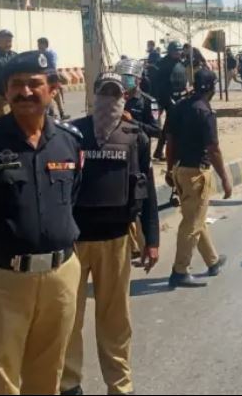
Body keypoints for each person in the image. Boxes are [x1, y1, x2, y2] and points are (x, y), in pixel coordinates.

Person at [0, 50, 83, 395]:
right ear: (6, 91)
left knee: (47, 376)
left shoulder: (69, 141)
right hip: (1, 280)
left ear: (53, 88)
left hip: (60, 277)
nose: (25, 92)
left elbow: (72, 199)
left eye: (34, 84)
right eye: (16, 85)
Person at [61, 72, 160, 396]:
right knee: (68, 318)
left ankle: (120, 386)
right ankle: (69, 384)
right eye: (104, 92)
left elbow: (147, 190)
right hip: (74, 243)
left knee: (115, 321)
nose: (109, 99)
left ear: (124, 97)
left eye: (115, 93)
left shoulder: (136, 137)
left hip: (116, 241)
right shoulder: (72, 134)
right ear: (94, 95)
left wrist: (152, 240)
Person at [164, 69, 231, 289]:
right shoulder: (205, 112)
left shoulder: (179, 106)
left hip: (180, 169)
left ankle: (212, 261)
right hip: (197, 173)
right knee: (191, 223)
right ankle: (179, 271)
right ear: (211, 88)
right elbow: (213, 149)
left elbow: (170, 142)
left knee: (195, 217)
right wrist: (225, 178)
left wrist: (170, 169)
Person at [117, 57, 163, 254]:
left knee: (141, 201)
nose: (125, 81)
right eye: (122, 77)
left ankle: (146, 242)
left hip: (140, 158)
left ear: (138, 79)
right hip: (119, 157)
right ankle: (131, 244)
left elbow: (156, 130)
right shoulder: (115, 99)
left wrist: (132, 121)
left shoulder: (148, 102)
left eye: (128, 77)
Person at [151, 41, 189, 161]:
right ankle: (156, 151)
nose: (178, 52)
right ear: (170, 51)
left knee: (170, 126)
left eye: (179, 50)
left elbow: (182, 78)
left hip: (177, 98)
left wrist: (186, 89)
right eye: (175, 51)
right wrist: (164, 99)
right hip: (164, 99)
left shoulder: (180, 63)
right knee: (156, 124)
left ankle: (160, 151)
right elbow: (158, 84)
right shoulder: (162, 64)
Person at [38, 37, 68, 120]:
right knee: (50, 95)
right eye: (38, 44)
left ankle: (60, 113)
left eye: (40, 44)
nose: (39, 46)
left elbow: (52, 65)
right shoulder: (40, 54)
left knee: (55, 94)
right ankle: (54, 114)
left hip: (50, 76)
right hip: (46, 77)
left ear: (45, 45)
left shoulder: (49, 54)